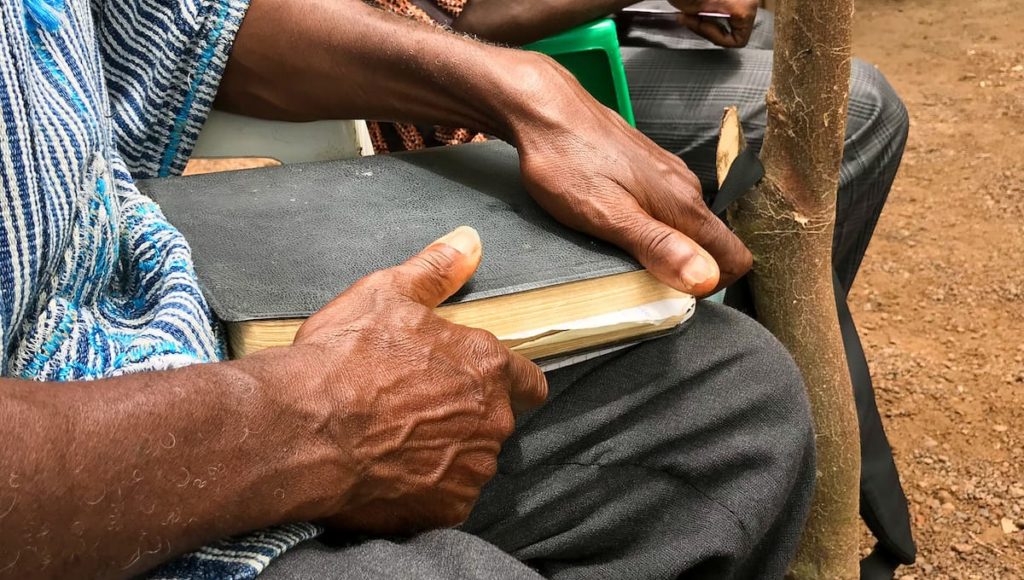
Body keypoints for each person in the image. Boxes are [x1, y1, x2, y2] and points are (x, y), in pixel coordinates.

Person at [0, 0, 815, 578]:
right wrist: (309, 426)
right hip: (77, 478)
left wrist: (524, 92)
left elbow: (187, 25)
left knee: (733, 398)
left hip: (146, 294)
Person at [365, 0, 910, 295]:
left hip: (597, 30)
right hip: (489, 79)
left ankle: (783, 316)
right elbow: (461, 24)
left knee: (766, 32)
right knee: (861, 109)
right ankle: (756, 325)